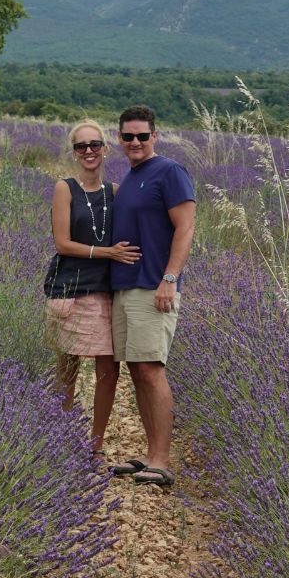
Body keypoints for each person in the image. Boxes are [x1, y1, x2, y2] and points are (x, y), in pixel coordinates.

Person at [108, 105, 195, 487]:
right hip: (126, 285)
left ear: (155, 136)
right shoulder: (130, 178)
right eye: (128, 136)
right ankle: (149, 453)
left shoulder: (170, 172)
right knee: (136, 368)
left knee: (151, 368)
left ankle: (161, 458)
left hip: (152, 285)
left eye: (143, 135)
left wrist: (170, 278)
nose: (136, 142)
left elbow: (186, 228)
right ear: (120, 139)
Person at [43, 119, 141, 456]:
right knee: (67, 368)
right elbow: (62, 244)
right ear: (73, 152)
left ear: (105, 149)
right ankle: (59, 437)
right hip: (70, 289)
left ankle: (94, 444)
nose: (88, 151)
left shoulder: (115, 192)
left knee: (108, 370)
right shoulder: (64, 188)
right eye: (81, 146)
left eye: (94, 145)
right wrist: (107, 252)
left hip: (105, 292)